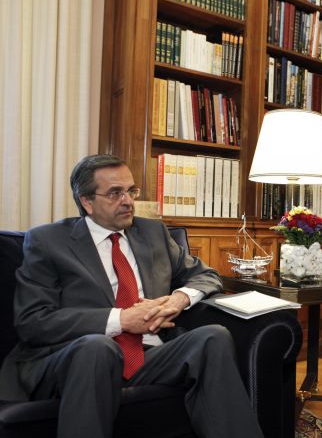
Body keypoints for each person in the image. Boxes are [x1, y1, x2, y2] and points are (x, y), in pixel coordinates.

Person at [0, 154, 263, 438]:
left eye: (131, 190)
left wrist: (180, 298)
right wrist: (122, 320)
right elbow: (33, 322)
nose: (128, 201)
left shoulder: (153, 233)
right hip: (76, 358)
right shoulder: (48, 241)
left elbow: (207, 275)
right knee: (97, 348)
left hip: (150, 354)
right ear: (87, 201)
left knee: (213, 336)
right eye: (115, 193)